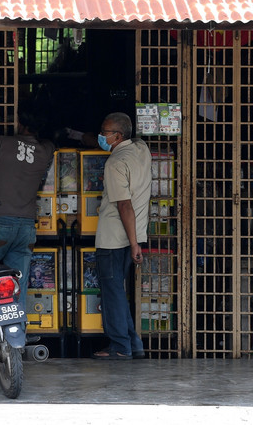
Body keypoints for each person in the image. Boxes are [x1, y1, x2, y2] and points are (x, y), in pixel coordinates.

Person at [0, 109, 55, 313]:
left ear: (20, 123)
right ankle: (15, 338)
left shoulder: (2, 142)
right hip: (26, 228)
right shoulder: (47, 149)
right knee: (18, 284)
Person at [92, 111, 151, 359]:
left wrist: (133, 243)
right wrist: (136, 241)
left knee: (113, 291)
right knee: (118, 289)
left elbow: (124, 205)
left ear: (117, 136)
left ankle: (119, 347)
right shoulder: (141, 150)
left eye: (105, 133)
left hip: (114, 238)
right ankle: (133, 344)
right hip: (134, 234)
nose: (100, 136)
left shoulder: (115, 163)